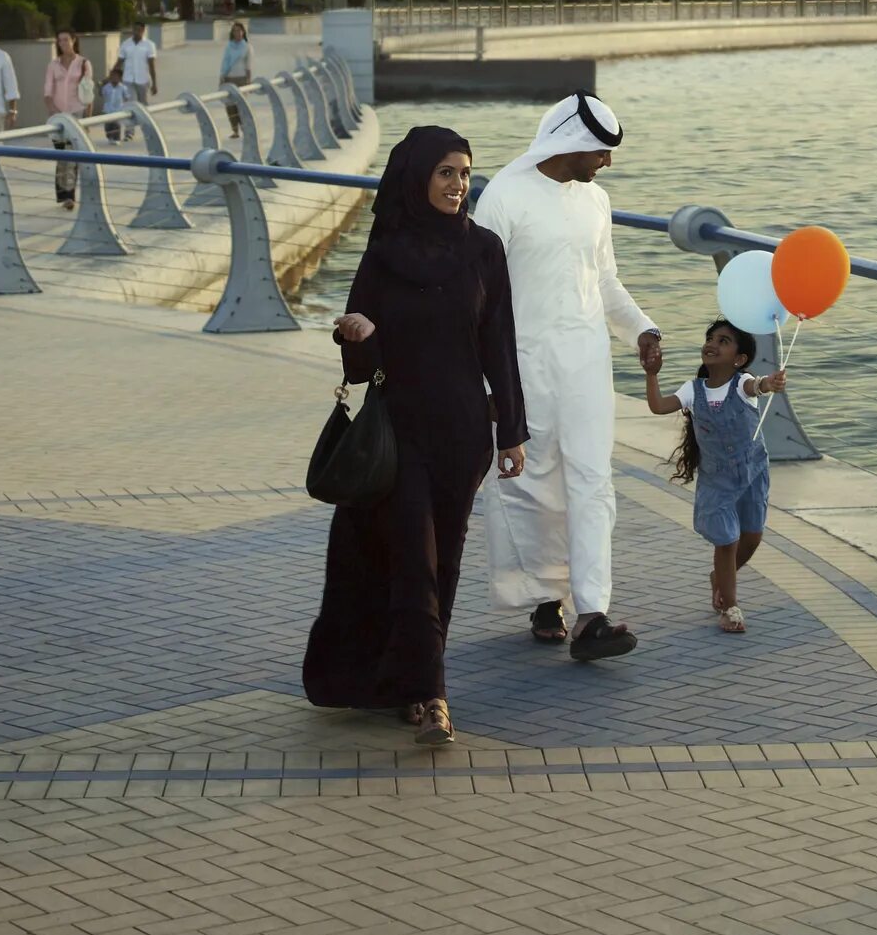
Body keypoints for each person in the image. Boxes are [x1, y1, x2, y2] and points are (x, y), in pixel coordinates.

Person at [303, 125, 528, 746]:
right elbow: (360, 365)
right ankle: (432, 696)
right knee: (412, 558)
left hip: (461, 435)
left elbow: (499, 345)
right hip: (397, 433)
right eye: (446, 173)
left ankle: (411, 681)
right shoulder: (384, 254)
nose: (459, 185)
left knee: (444, 561)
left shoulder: (484, 251)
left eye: (464, 173)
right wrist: (358, 336)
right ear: (417, 178)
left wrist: (511, 430)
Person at [474, 92, 660, 662]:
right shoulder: (502, 199)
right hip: (520, 367)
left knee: (592, 483)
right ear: (571, 144)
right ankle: (544, 598)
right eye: (600, 152)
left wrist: (642, 331)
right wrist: (486, 383)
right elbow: (476, 302)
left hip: (585, 366)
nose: (606, 163)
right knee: (532, 486)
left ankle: (593, 613)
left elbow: (605, 283)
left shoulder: (595, 202)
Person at [644, 319, 787, 633]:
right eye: (710, 338)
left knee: (752, 536)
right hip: (717, 478)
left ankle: (720, 577)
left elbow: (757, 386)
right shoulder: (693, 390)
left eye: (723, 341)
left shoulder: (741, 382)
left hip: (752, 471)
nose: (712, 343)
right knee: (727, 540)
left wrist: (770, 383)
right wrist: (651, 374)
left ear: (739, 359)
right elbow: (658, 406)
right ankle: (731, 607)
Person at [41, 30, 94, 204]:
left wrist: (88, 120)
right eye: (60, 41)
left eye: (66, 40)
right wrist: (54, 111)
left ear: (73, 40)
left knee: (72, 156)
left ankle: (70, 195)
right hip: (59, 118)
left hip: (77, 114)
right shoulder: (53, 65)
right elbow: (47, 93)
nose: (62, 43)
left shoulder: (83, 63)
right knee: (62, 156)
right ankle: (62, 193)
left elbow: (88, 93)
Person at [112, 21, 159, 112]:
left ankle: (144, 124)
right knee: (130, 105)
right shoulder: (126, 44)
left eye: (138, 30)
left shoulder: (149, 45)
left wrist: (154, 84)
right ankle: (130, 126)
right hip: (128, 80)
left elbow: (151, 65)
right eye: (134, 29)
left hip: (143, 80)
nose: (136, 32)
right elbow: (119, 62)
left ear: (143, 30)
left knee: (143, 105)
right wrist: (112, 76)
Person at [219, 17, 253, 136]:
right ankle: (234, 130)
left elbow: (248, 66)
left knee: (240, 106)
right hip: (229, 78)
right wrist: (222, 77)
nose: (237, 33)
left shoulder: (247, 47)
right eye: (235, 31)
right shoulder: (229, 47)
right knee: (230, 106)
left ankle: (244, 127)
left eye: (239, 31)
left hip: (241, 79)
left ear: (243, 32)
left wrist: (249, 82)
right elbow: (224, 62)